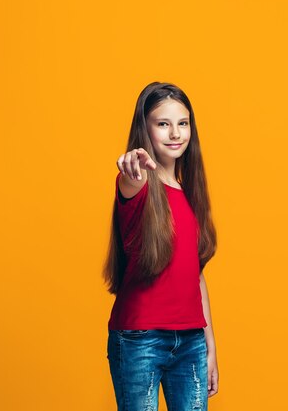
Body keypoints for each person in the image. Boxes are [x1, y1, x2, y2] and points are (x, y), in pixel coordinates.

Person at [102, 82, 219, 410]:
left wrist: (209, 345)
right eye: (163, 124)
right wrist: (131, 168)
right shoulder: (137, 184)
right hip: (141, 341)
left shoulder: (189, 193)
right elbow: (130, 178)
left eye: (183, 123)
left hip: (191, 342)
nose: (175, 133)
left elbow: (196, 275)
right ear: (145, 128)